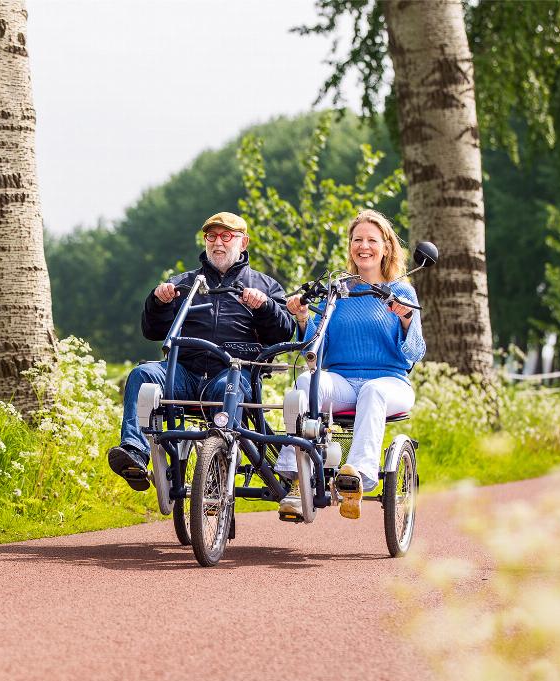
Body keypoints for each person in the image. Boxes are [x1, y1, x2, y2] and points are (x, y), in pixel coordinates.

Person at [108, 211, 295, 490]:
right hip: (184, 371)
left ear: (243, 242)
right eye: (211, 236)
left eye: (226, 236)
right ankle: (135, 452)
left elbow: (283, 332)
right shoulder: (185, 283)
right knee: (142, 374)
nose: (217, 242)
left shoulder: (265, 286)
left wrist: (265, 307)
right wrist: (157, 303)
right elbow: (153, 331)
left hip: (232, 373)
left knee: (227, 388)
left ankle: (219, 464)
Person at [276, 208, 426, 519]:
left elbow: (415, 352)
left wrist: (406, 319)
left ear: (386, 246)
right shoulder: (338, 291)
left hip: (391, 382)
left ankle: (358, 475)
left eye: (372, 240)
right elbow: (316, 346)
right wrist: (302, 318)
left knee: (373, 391)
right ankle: (296, 475)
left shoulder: (401, 291)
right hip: (342, 381)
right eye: (357, 239)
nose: (364, 246)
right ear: (350, 246)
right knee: (305, 382)